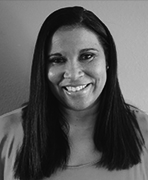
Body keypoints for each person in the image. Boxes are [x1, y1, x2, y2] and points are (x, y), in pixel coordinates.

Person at [0, 6, 148, 180]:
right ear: (43, 67)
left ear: (107, 59)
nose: (73, 73)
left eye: (87, 56)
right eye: (57, 60)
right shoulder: (4, 135)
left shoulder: (145, 132)